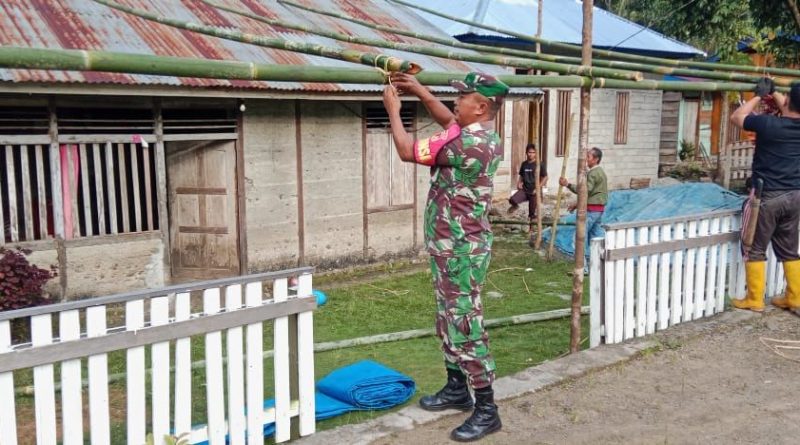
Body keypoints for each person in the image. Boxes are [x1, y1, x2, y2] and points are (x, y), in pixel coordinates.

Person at [382, 71, 508, 442]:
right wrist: (420, 90)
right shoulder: (475, 131)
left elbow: (408, 152)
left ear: (481, 106)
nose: (456, 101)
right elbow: (449, 120)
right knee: (447, 317)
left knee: (465, 323)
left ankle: (487, 408)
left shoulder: (470, 144)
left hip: (461, 251)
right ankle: (457, 388)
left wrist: (394, 110)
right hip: (449, 247)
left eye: (463, 97)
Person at [729, 78, 800, 312]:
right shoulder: (777, 122)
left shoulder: (770, 124)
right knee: (789, 249)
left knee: (754, 246)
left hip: (766, 196)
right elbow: (790, 108)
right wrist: (776, 92)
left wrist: (759, 95)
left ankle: (754, 299)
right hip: (794, 196)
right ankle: (795, 297)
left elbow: (737, 118)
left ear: (788, 101)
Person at [558, 147, 608, 273]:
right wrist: (577, 204)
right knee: (596, 239)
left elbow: (585, 190)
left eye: (589, 157)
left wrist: (567, 185)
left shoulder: (594, 173)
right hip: (598, 209)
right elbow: (590, 194)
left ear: (596, 159)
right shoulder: (600, 172)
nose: (586, 159)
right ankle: (599, 266)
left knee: (579, 238)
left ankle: (583, 268)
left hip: (591, 211)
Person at [508, 143, 548, 220]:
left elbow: (545, 177)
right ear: (526, 152)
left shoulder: (539, 164)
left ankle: (531, 228)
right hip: (525, 190)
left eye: (533, 152)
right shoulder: (524, 164)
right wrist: (519, 183)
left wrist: (538, 188)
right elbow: (521, 175)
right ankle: (515, 206)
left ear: (536, 153)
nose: (531, 154)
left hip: (534, 191)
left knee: (532, 213)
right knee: (512, 199)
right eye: (529, 152)